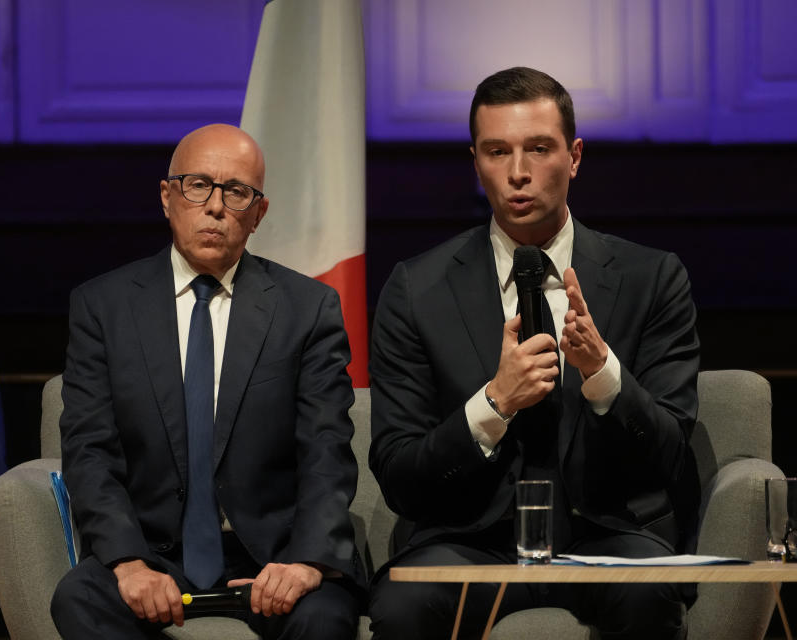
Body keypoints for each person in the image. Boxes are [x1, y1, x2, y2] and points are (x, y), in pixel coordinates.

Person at [368, 67, 700, 639]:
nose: (518, 173)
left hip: (607, 535)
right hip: (467, 541)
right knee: (401, 607)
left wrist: (603, 376)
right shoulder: (415, 289)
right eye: (497, 151)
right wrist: (494, 404)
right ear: (475, 162)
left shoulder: (653, 278)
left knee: (649, 596)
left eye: (538, 149)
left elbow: (671, 456)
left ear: (573, 157)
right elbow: (399, 473)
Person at [51, 124, 365, 640]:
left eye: (237, 192)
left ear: (258, 213)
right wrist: (128, 563)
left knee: (323, 618)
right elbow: (90, 451)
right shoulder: (103, 307)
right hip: (153, 552)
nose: (216, 207)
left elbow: (326, 452)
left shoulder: (307, 309)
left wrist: (306, 563)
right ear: (167, 196)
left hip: (272, 557)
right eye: (198, 185)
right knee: (79, 599)